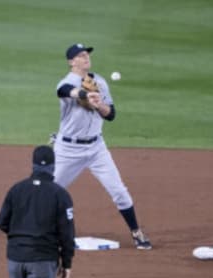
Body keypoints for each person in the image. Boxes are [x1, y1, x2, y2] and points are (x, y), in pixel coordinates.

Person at [52, 43, 151, 250]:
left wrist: (99, 105)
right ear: (71, 62)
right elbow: (64, 91)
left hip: (96, 148)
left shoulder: (99, 82)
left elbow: (111, 114)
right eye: (80, 55)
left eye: (87, 53)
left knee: (119, 191)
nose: (86, 56)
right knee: (50, 190)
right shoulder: (67, 82)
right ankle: (31, 228)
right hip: (68, 150)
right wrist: (85, 95)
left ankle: (136, 232)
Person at [0, 145, 75, 278]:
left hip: (15, 259)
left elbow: (1, 222)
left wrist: (19, 236)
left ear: (33, 165)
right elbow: (67, 234)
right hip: (42, 260)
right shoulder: (60, 195)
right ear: (53, 167)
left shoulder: (16, 189)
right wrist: (67, 263)